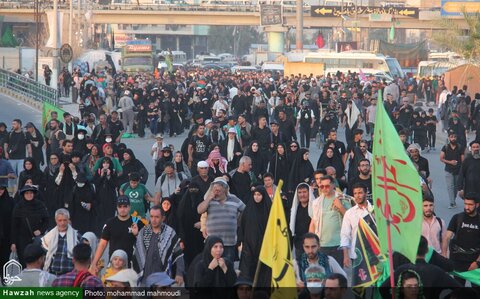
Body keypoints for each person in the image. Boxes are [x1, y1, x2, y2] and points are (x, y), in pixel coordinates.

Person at [90, 196, 143, 275]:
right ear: (117, 208)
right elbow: (102, 244)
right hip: (114, 264)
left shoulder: (137, 222)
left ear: (129, 207)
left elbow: (145, 244)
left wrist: (137, 234)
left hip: (131, 265)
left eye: (125, 206)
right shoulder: (110, 223)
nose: (122, 209)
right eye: (120, 207)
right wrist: (94, 263)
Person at [197, 178, 246, 262]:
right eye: (214, 188)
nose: (216, 190)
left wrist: (239, 221)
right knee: (211, 267)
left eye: (219, 187)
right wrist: (208, 199)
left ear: (225, 189)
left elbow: (246, 211)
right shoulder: (209, 201)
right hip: (212, 244)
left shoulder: (234, 200)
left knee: (227, 268)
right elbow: (199, 210)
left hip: (229, 243)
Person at [135, 205, 184, 286]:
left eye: (157, 217)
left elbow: (179, 255)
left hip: (163, 279)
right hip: (145, 279)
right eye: (151, 216)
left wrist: (179, 273)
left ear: (163, 218)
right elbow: (136, 255)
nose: (153, 220)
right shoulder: (143, 232)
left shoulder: (170, 233)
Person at [177, 161, 213, 268]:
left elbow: (205, 209)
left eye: (206, 168)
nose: (193, 192)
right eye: (201, 168)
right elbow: (180, 217)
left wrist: (201, 223)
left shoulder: (212, 180)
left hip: (202, 230)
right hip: (188, 234)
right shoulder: (194, 181)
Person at [309, 176, 351, 265]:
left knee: (337, 275)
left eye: (327, 186)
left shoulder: (342, 198)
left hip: (338, 244)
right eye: (322, 186)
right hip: (322, 244)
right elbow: (313, 223)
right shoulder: (316, 202)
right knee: (323, 274)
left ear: (333, 185)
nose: (324, 189)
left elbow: (350, 219)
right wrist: (310, 243)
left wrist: (340, 207)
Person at [442, 193, 480, 287]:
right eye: (465, 204)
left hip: (474, 263)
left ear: (477, 205)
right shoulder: (457, 218)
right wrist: (444, 255)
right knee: (459, 290)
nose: (467, 207)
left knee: (476, 291)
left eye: (470, 204)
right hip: (457, 262)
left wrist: (477, 262)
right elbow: (447, 237)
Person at [238, 186, 271, 282]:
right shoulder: (248, 209)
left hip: (264, 245)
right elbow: (242, 226)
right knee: (247, 272)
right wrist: (240, 241)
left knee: (263, 273)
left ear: (263, 196)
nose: (256, 197)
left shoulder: (269, 209)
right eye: (255, 195)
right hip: (249, 245)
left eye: (259, 195)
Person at [10, 185, 49, 266]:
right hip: (22, 239)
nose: (29, 195)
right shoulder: (18, 206)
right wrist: (13, 242)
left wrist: (41, 230)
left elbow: (46, 220)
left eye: (31, 193)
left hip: (36, 239)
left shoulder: (39, 205)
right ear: (23, 194)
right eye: (27, 193)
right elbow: (14, 226)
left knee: (37, 260)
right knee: (24, 261)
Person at [340, 183, 375, 268]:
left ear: (366, 193)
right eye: (355, 193)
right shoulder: (349, 213)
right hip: (356, 255)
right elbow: (345, 235)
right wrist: (346, 256)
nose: (357, 196)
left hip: (375, 253)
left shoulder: (375, 210)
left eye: (360, 193)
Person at [41, 209, 80, 276]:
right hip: (53, 273)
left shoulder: (76, 236)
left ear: (68, 220)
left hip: (70, 273)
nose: (62, 223)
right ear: (56, 220)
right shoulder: (50, 236)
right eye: (60, 220)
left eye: (65, 220)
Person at [290, 183, 316, 260]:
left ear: (309, 193)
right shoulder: (295, 209)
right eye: (300, 192)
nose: (302, 195)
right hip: (298, 243)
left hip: (312, 243)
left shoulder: (315, 207)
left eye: (304, 192)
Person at [93, 156, 118, 233]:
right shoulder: (98, 172)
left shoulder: (113, 172)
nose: (105, 165)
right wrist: (101, 176)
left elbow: (114, 185)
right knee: (100, 216)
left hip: (110, 198)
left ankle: (110, 232)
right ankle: (100, 233)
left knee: (110, 216)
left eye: (107, 163)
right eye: (104, 163)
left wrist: (108, 176)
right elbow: (96, 184)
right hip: (100, 198)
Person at [440, 131, 464, 209]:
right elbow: (441, 158)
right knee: (450, 186)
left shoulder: (460, 147)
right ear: (449, 138)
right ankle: (452, 203)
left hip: (458, 170)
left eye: (454, 137)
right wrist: (450, 162)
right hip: (448, 170)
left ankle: (453, 199)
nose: (453, 138)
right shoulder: (445, 147)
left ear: (456, 138)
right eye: (451, 137)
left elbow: (463, 160)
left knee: (456, 187)